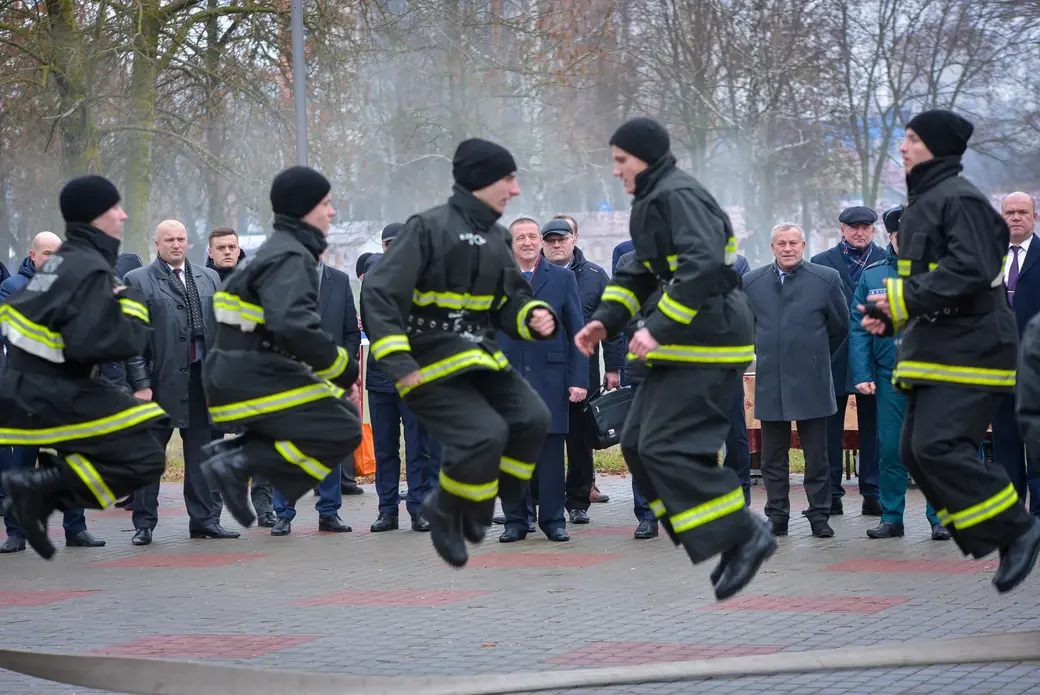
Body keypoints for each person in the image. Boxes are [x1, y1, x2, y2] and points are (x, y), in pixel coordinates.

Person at [575, 117, 774, 601]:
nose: (616, 170)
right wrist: (606, 320)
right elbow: (638, 272)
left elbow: (702, 261)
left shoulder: (676, 194)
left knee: (663, 445)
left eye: (621, 160)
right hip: (685, 340)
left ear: (644, 156)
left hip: (711, 338)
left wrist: (659, 327)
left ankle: (743, 532)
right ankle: (731, 537)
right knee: (639, 443)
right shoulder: (651, 200)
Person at [861, 109, 1040, 593]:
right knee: (915, 452)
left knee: (938, 446)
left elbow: (972, 267)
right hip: (935, 346)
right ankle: (998, 534)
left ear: (937, 147)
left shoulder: (959, 198)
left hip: (974, 349)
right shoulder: (925, 202)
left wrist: (905, 300)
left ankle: (1018, 531)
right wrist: (893, 312)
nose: (902, 147)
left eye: (913, 139)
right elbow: (928, 285)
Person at [360, 137, 556, 568]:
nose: (515, 189)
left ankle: (491, 499)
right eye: (508, 178)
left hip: (482, 357)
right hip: (433, 360)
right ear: (483, 180)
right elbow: (378, 293)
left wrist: (535, 315)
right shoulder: (427, 228)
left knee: (534, 418)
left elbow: (511, 302)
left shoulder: (497, 236)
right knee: (485, 433)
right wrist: (399, 363)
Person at [0, 175, 169, 560]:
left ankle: (40, 496)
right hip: (53, 393)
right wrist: (131, 309)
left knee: (131, 441)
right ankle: (37, 492)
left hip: (28, 390)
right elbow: (93, 343)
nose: (123, 215)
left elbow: (15, 316)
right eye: (115, 208)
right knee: (146, 453)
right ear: (96, 216)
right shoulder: (89, 268)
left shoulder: (61, 262)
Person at [198, 166, 361, 529]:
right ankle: (235, 463)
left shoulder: (279, 250)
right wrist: (343, 370)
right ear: (305, 207)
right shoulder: (291, 255)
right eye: (326, 203)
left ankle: (238, 459)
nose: (332, 212)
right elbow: (295, 325)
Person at [849, 206, 949, 541]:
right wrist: (862, 372)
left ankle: (939, 519)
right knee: (891, 448)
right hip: (890, 377)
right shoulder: (873, 276)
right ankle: (892, 517)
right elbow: (860, 329)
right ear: (889, 237)